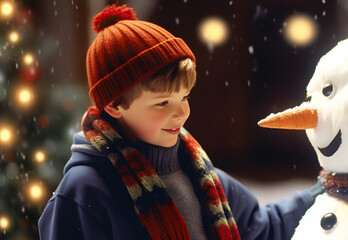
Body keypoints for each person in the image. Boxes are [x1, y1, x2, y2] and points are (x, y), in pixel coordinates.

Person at [38, 4, 321, 240]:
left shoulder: (201, 176)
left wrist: (326, 189)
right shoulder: (84, 192)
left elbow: (260, 228)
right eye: (162, 102)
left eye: (183, 97)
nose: (181, 113)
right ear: (114, 105)